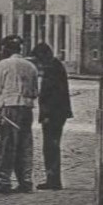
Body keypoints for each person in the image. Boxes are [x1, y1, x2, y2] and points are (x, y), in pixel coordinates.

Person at [0, 34, 39, 193]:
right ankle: (26, 181)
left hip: (9, 107)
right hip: (27, 109)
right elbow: (35, 91)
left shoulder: (3, 65)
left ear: (6, 49)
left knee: (6, 144)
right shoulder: (31, 66)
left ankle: (3, 182)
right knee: (25, 143)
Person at [30, 41, 73, 190]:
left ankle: (53, 180)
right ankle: (53, 179)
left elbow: (52, 95)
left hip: (54, 115)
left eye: (39, 59)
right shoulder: (55, 66)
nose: (39, 63)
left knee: (51, 147)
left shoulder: (52, 68)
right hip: (58, 113)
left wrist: (46, 115)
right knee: (51, 146)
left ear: (44, 56)